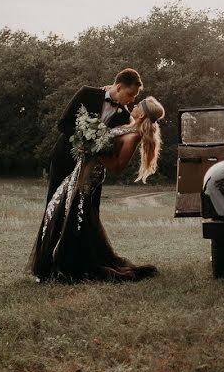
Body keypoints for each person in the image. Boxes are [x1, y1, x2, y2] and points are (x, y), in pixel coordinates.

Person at [30, 96, 165, 282]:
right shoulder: (129, 126)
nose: (134, 105)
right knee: (56, 209)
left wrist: (95, 150)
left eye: (137, 105)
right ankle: (50, 264)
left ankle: (67, 266)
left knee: (74, 218)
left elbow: (117, 167)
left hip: (91, 176)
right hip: (80, 169)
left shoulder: (134, 136)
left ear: (141, 113)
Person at [45, 68, 143, 205]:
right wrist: (86, 138)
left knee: (88, 213)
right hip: (65, 159)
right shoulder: (87, 93)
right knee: (55, 206)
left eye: (134, 97)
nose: (132, 99)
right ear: (119, 87)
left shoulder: (125, 117)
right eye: (130, 94)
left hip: (93, 170)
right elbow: (63, 124)